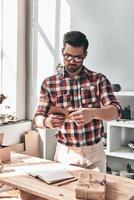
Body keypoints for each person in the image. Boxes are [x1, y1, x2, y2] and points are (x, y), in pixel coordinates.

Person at [33, 31, 122, 172]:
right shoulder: (49, 83)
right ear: (62, 51)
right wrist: (46, 122)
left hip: (95, 154)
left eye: (77, 58)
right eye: (67, 56)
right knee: (63, 194)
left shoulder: (99, 79)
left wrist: (92, 113)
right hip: (65, 153)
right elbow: (37, 118)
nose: (71, 61)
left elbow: (116, 111)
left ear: (85, 55)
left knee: (97, 193)